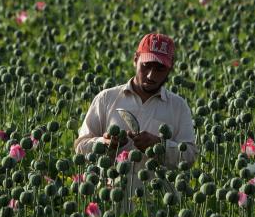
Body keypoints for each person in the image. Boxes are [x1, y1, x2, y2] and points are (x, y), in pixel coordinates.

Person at [74, 33, 197, 196]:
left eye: (160, 69)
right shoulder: (106, 99)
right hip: (111, 202)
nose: (151, 75)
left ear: (171, 67)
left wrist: (159, 145)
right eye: (146, 65)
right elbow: (80, 147)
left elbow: (189, 156)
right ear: (135, 59)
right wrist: (106, 143)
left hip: (158, 205)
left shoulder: (178, 106)